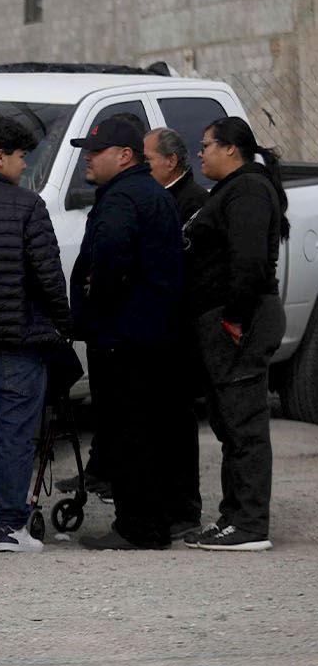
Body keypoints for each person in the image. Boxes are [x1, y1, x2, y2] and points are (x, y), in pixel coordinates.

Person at [68, 116, 185, 550]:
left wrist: (98, 289)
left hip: (123, 336)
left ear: (124, 155)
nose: (87, 160)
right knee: (148, 428)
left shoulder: (121, 198)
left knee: (128, 429)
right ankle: (155, 519)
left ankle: (138, 526)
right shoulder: (151, 192)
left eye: (95, 152)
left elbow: (114, 250)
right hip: (151, 333)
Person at [0, 115, 72, 554]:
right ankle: (9, 529)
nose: (25, 165)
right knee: (15, 439)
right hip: (20, 346)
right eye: (22, 156)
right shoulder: (28, 206)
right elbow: (48, 275)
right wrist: (63, 326)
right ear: (1, 156)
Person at [183, 117, 288, 552]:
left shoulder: (247, 190)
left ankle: (249, 524)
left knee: (244, 423)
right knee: (229, 422)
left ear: (230, 149)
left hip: (241, 318)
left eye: (206, 145)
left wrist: (235, 318)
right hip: (225, 318)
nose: (200, 153)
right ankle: (233, 517)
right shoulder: (232, 189)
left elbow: (248, 264)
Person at [145, 125, 210, 537]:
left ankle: (183, 511)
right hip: (160, 327)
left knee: (176, 423)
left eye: (148, 158)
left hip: (179, 330)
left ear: (170, 162)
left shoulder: (192, 203)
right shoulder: (161, 198)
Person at [146, 127, 209, 224]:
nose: (140, 166)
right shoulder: (154, 198)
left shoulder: (196, 204)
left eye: (147, 159)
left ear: (171, 161)